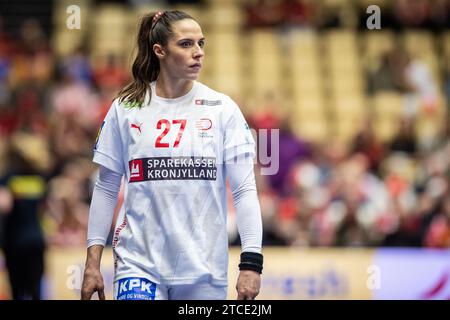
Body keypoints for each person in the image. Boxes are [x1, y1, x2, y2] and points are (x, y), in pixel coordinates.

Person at [81, 10, 264, 300]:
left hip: (204, 270)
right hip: (138, 265)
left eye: (201, 44)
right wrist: (92, 264)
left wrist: (251, 263)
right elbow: (105, 187)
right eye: (186, 44)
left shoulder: (222, 108)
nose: (198, 53)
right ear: (160, 50)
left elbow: (244, 190)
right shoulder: (126, 108)